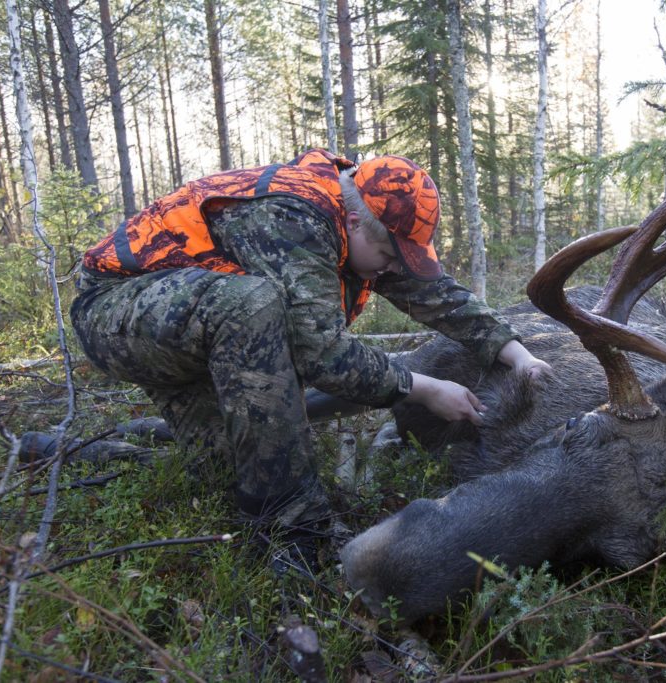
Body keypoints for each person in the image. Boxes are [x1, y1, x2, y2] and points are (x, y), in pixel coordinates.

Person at [70, 149, 550, 558]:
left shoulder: (359, 220)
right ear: (358, 221)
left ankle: (86, 451)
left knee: (225, 475)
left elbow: (435, 293)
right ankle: (296, 530)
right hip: (117, 312)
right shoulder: (295, 217)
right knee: (252, 306)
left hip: (189, 325)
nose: (390, 268)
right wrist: (420, 388)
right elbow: (321, 353)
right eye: (387, 256)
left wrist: (515, 354)